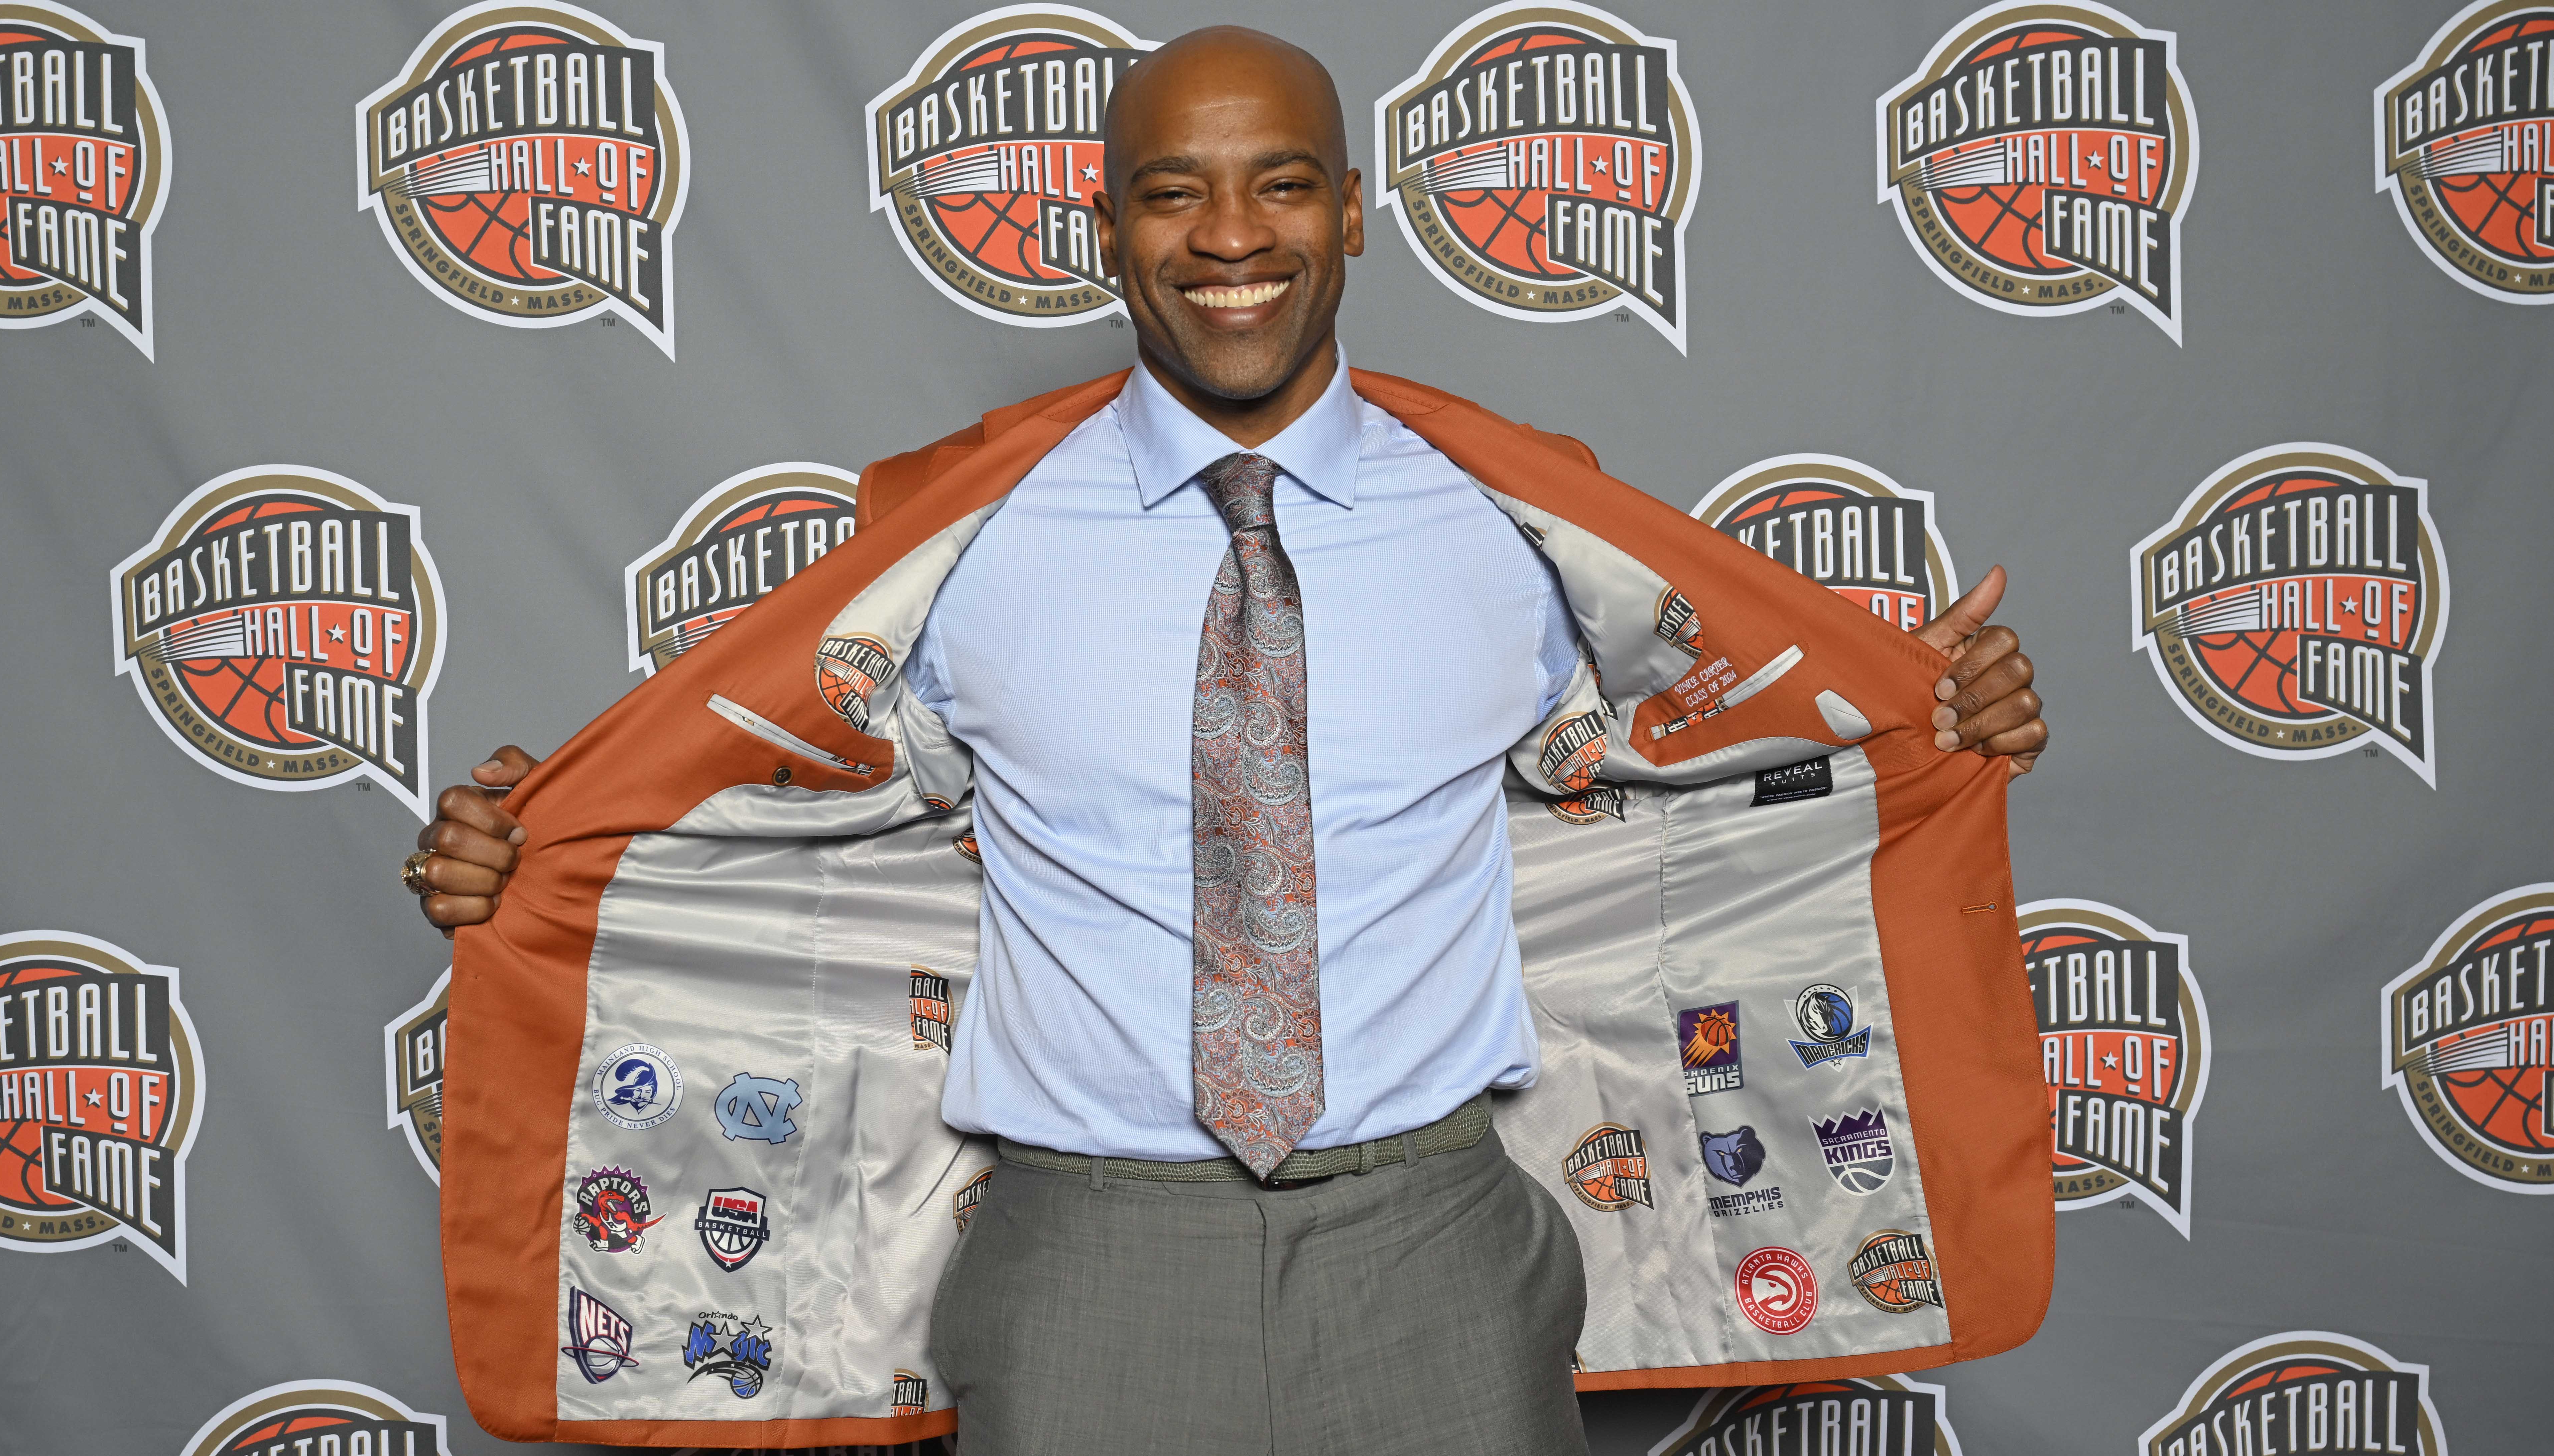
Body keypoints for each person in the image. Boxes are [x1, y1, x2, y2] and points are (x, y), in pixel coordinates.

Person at [405, 27, 2047, 1456]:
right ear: (1105, 231)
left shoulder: (1514, 523)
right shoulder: (956, 541)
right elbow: (762, 798)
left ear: (1352, 211)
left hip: (1435, 1243)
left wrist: (1929, 720)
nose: (1231, 236)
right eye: (1172, 192)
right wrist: (528, 853)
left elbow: (1699, 743)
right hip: (1088, 1255)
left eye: (1280, 184)